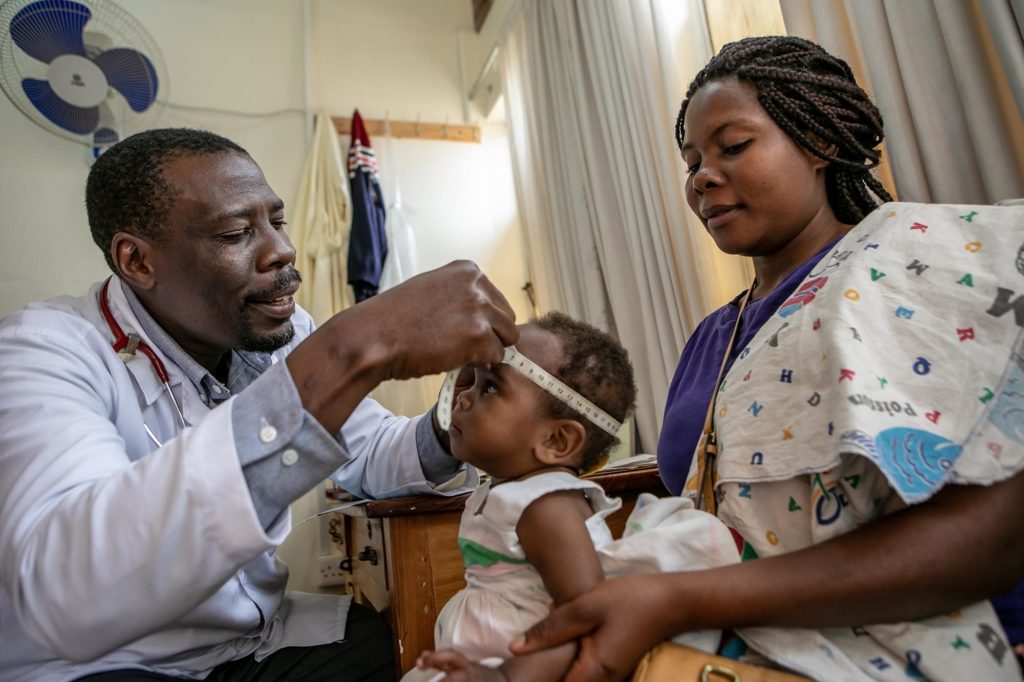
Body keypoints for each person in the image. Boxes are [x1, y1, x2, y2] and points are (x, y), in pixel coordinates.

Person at [509, 36, 1024, 681]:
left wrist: (676, 599)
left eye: (734, 145)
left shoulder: (921, 264)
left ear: (820, 142)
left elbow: (991, 541)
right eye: (691, 160)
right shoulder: (711, 339)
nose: (702, 176)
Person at [0, 128, 519, 681]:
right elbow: (68, 589)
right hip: (113, 663)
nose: (282, 250)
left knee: (418, 654)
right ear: (137, 261)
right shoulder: (44, 351)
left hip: (247, 644)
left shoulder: (279, 330)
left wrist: (455, 419)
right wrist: (350, 350)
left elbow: (368, 453)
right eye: (236, 232)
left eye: (277, 221)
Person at [410, 312, 741, 682]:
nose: (463, 397)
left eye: (490, 388)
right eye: (472, 381)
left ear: (557, 441)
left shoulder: (545, 505)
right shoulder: (509, 491)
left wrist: (504, 676)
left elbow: (583, 618)